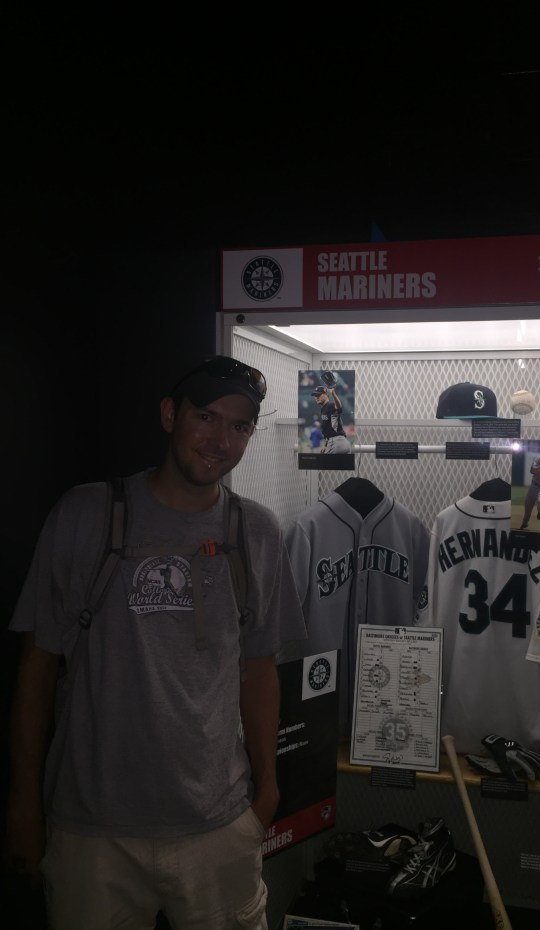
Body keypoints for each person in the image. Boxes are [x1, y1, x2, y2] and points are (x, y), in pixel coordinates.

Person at [3, 355, 307, 930]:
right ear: (170, 415)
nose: (220, 440)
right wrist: (23, 804)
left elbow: (260, 669)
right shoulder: (84, 514)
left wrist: (265, 795)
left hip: (219, 824)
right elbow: (38, 666)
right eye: (207, 416)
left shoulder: (256, 532)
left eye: (240, 426)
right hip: (93, 829)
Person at [311, 383, 351, 454]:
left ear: (325, 394)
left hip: (336, 443)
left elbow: (338, 406)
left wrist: (333, 394)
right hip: (343, 443)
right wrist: (326, 445)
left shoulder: (330, 405)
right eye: (315, 396)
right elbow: (329, 430)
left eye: (318, 395)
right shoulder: (323, 409)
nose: (316, 397)